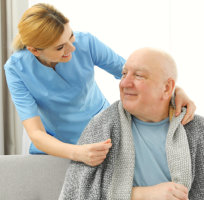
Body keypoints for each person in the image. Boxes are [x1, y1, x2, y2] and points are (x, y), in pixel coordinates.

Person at [4, 3, 195, 166]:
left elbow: (132, 73)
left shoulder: (86, 42)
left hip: (102, 131)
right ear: (34, 50)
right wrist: (77, 153)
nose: (72, 48)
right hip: (57, 144)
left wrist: (173, 90)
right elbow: (35, 133)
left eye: (70, 36)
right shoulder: (16, 69)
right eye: (60, 47)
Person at [59, 48, 203, 200]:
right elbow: (75, 193)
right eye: (123, 74)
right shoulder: (101, 127)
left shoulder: (197, 130)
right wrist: (141, 195)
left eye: (139, 76)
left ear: (167, 88)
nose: (124, 83)